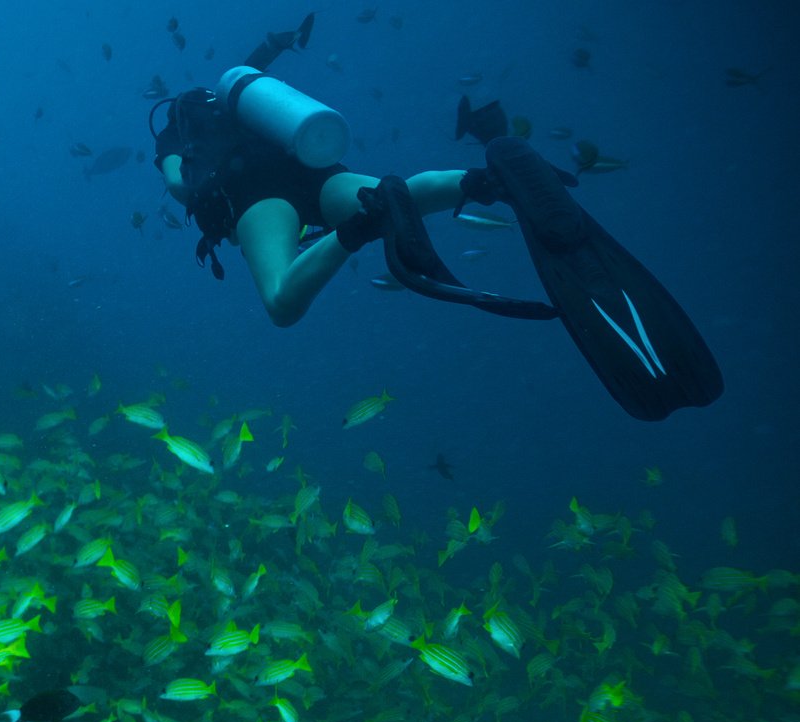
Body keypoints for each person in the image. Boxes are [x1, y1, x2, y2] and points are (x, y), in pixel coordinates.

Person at [151, 14, 720, 421]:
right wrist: (274, 47)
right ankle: (486, 180)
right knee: (398, 191)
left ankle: (359, 228)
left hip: (257, 199)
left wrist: (185, 178)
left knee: (281, 302)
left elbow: (180, 186)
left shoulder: (178, 127)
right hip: (314, 169)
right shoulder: (236, 97)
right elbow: (259, 71)